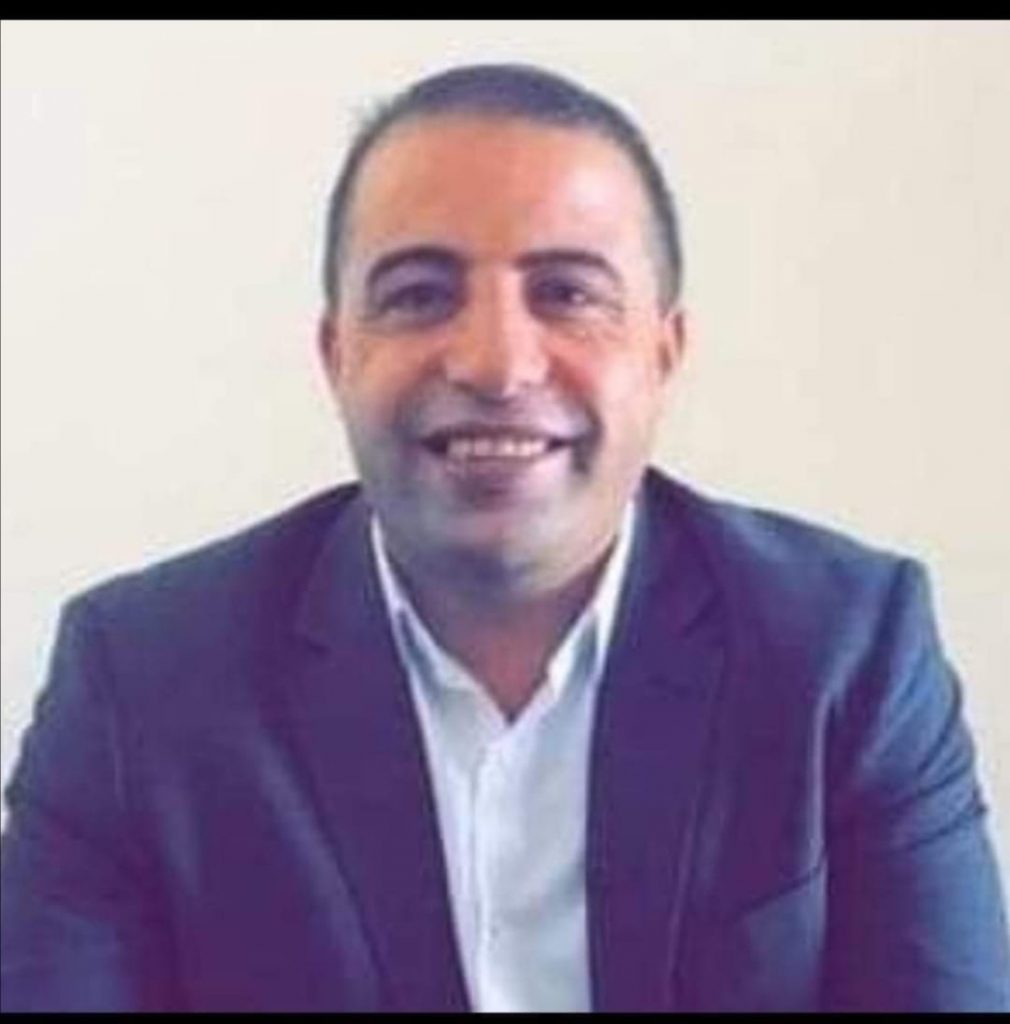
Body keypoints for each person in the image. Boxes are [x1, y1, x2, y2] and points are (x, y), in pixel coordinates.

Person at [2, 62, 1008, 1014]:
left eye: (567, 292)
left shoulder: (844, 650)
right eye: (419, 294)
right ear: (336, 353)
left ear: (662, 351)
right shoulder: (141, 680)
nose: (495, 361)